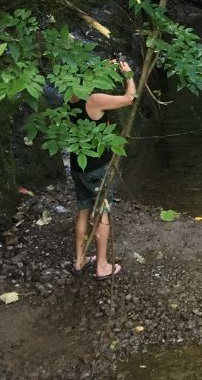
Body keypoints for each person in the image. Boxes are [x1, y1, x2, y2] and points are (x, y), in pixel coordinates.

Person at [68, 59, 136, 280]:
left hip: (78, 164)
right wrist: (128, 75)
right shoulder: (94, 99)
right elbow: (129, 98)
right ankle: (102, 265)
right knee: (102, 211)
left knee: (83, 209)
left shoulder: (69, 95)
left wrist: (106, 68)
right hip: (97, 167)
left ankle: (79, 261)